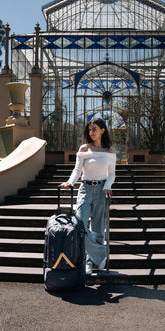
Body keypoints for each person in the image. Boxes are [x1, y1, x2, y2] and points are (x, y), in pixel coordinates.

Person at [60, 118, 116, 275]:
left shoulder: (110, 152)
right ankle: (100, 254)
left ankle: (90, 261)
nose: (91, 132)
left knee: (98, 226)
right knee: (80, 226)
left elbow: (112, 175)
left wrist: (107, 186)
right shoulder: (84, 149)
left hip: (101, 190)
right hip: (85, 189)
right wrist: (70, 182)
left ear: (102, 130)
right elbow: (77, 171)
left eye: (95, 129)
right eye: (89, 130)